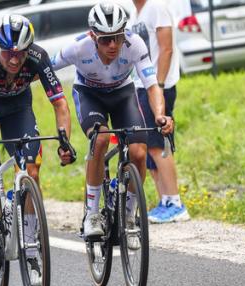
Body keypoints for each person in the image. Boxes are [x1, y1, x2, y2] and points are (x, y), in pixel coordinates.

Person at [0, 14, 74, 285]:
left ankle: (32, 251)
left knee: (31, 171)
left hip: (18, 107)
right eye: (9, 53)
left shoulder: (37, 57)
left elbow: (60, 104)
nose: (15, 60)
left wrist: (65, 142)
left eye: (21, 54)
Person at [51, 1, 173, 237]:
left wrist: (160, 115)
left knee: (138, 151)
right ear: (92, 35)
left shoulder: (134, 44)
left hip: (122, 94)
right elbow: (42, 68)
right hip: (89, 94)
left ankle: (129, 214)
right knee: (101, 139)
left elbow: (152, 85)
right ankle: (93, 212)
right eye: (105, 39)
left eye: (116, 37)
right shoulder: (77, 48)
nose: (112, 45)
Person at [131, 0, 190, 223]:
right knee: (148, 147)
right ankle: (164, 200)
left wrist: (160, 85)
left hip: (157, 87)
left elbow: (166, 48)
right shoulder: (135, 12)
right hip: (141, 86)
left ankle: (175, 202)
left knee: (158, 144)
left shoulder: (157, 7)